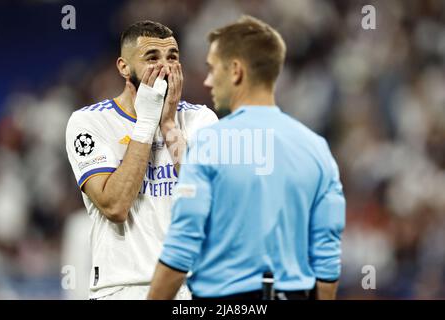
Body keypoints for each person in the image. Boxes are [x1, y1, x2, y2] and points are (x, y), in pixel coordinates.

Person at [148, 16, 346, 300]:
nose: (207, 80)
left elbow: (182, 247)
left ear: (236, 71)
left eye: (213, 69)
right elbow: (327, 259)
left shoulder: (210, 143)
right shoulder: (316, 149)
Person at [65, 20, 218, 300]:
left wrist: (169, 124)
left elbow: (209, 199)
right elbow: (116, 206)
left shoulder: (200, 119)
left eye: (172, 57)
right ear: (124, 67)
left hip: (189, 288)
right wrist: (147, 120)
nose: (165, 66)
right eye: (152, 58)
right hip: (122, 288)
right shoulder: (90, 122)